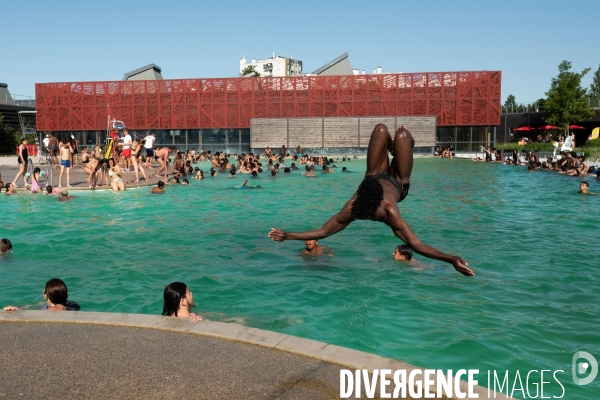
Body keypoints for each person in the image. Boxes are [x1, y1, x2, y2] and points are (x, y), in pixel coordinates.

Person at [268, 124, 474, 276]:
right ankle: (404, 145)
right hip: (398, 182)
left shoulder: (365, 207)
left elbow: (322, 232)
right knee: (403, 134)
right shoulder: (373, 209)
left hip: (374, 175)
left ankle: (395, 146)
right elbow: (415, 244)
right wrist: (451, 258)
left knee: (381, 129)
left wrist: (288, 235)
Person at [3, 278, 80, 311]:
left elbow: (55, 310)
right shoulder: (72, 303)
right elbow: (34, 306)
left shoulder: (52, 309)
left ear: (46, 295)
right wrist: (18, 309)